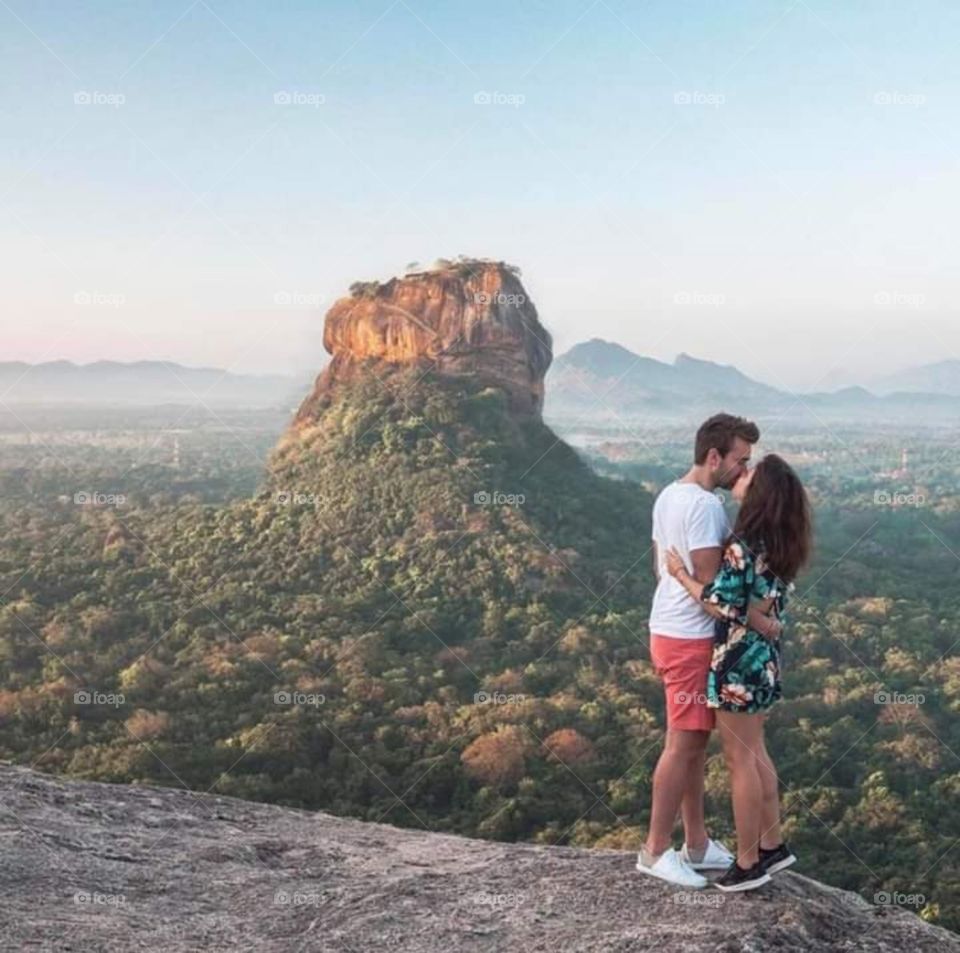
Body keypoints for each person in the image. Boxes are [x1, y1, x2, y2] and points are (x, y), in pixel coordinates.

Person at [636, 413, 778, 889]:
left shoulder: (668, 495)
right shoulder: (705, 509)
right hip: (691, 637)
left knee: (693, 743)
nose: (743, 471)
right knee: (684, 743)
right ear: (713, 456)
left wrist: (681, 585)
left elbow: (664, 570)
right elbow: (723, 598)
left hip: (670, 628)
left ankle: (695, 844)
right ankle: (655, 850)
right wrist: (763, 621)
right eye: (739, 460)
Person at [665, 453, 812, 892]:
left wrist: (680, 576)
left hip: (737, 662)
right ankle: (772, 844)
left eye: (749, 473)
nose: (740, 476)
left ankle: (748, 863)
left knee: (739, 760)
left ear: (760, 490)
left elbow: (719, 602)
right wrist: (759, 617)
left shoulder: (744, 543)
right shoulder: (782, 542)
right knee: (756, 751)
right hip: (763, 659)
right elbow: (760, 604)